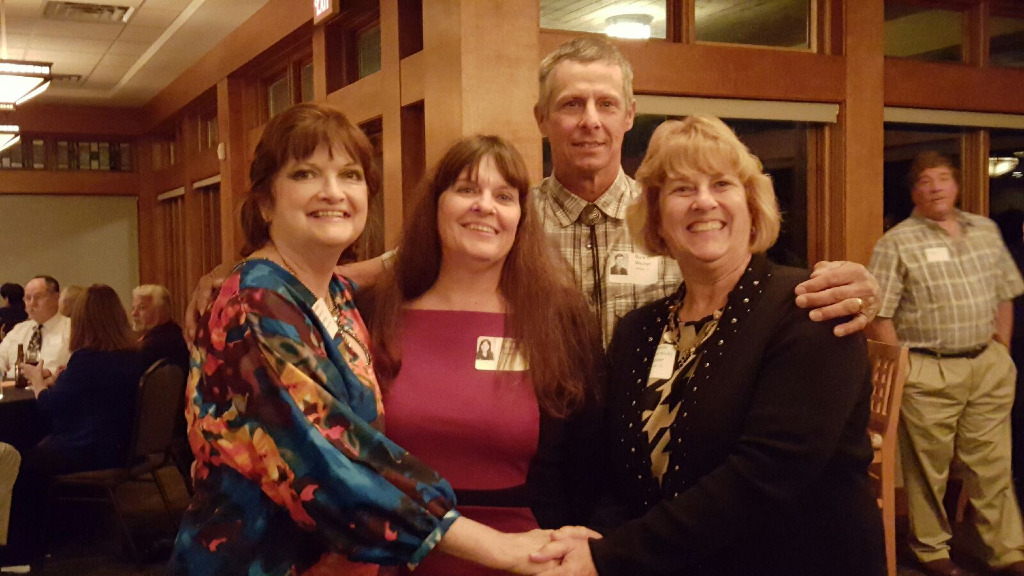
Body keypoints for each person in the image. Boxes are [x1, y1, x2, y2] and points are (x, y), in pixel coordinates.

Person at [169, 103, 556, 576]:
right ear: (266, 201)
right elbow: (333, 464)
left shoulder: (332, 295)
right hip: (255, 561)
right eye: (306, 174)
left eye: (350, 175)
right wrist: (502, 549)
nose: (333, 193)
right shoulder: (255, 305)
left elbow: (390, 265)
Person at [328, 36, 880, 350]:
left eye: (605, 104)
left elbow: (746, 283)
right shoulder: (509, 220)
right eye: (571, 105)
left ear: (628, 116)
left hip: (657, 428)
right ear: (542, 118)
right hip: (542, 437)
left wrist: (853, 288)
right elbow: (398, 266)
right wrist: (279, 277)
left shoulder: (671, 214)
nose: (589, 121)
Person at [532, 117, 885, 576]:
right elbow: (621, 475)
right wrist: (597, 538)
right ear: (657, 216)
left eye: (722, 184)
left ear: (751, 206)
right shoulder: (639, 330)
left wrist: (608, 556)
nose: (703, 202)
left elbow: (762, 479)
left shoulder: (809, 311)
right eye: (681, 189)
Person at [360, 135, 604, 576]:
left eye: (504, 196)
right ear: (436, 205)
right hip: (395, 556)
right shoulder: (373, 313)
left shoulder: (562, 320)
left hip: (529, 559)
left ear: (521, 218)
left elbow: (588, 467)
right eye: (467, 189)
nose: (485, 206)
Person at [867, 152, 1024, 576]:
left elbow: (1005, 293)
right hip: (927, 367)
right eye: (924, 181)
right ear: (914, 192)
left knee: (992, 463)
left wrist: (1001, 350)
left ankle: (1007, 552)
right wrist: (904, 370)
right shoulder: (896, 242)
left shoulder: (986, 231)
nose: (935, 187)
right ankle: (931, 550)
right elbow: (879, 315)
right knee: (927, 469)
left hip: (986, 365)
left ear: (956, 186)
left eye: (942, 179)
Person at [2, 284, 145, 567]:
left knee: (22, 461)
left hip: (90, 449)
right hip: (121, 443)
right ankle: (63, 528)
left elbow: (49, 405)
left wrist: (38, 381)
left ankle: (20, 551)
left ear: (83, 320)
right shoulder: (132, 354)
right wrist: (62, 380)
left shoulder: (88, 358)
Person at [0, 276, 70, 382]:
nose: (32, 303)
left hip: (51, 390)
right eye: (28, 298)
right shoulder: (19, 330)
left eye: (38, 297)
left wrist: (51, 373)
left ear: (56, 298)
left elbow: (77, 368)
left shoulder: (72, 329)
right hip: (12, 390)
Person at [131, 284, 188, 372]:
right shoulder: (176, 331)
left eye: (142, 308)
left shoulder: (154, 345)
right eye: (133, 308)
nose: (134, 314)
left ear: (161, 310)